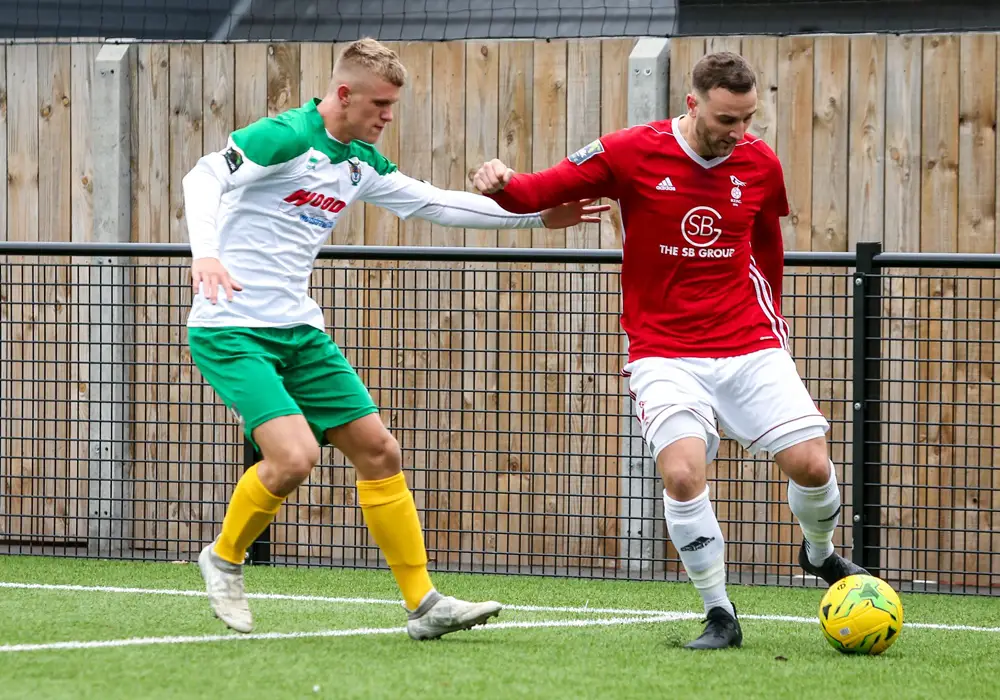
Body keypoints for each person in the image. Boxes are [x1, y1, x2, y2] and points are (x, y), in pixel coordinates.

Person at [181, 37, 607, 640]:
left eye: (393, 106)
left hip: (300, 330)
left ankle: (424, 604)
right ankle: (224, 559)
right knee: (294, 457)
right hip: (230, 328)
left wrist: (535, 217)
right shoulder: (286, 135)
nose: (386, 116)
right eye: (379, 104)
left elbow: (436, 204)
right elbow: (201, 178)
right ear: (344, 94)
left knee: (380, 452)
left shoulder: (360, 164)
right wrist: (208, 254)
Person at [473, 51, 867, 650]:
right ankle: (720, 614)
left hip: (748, 342)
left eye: (748, 119)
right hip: (663, 349)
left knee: (813, 466)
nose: (739, 133)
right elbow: (536, 192)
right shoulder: (630, 151)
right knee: (682, 474)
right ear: (693, 103)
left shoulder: (760, 162)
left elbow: (768, 244)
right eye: (726, 120)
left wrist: (773, 321)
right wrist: (502, 185)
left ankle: (819, 555)